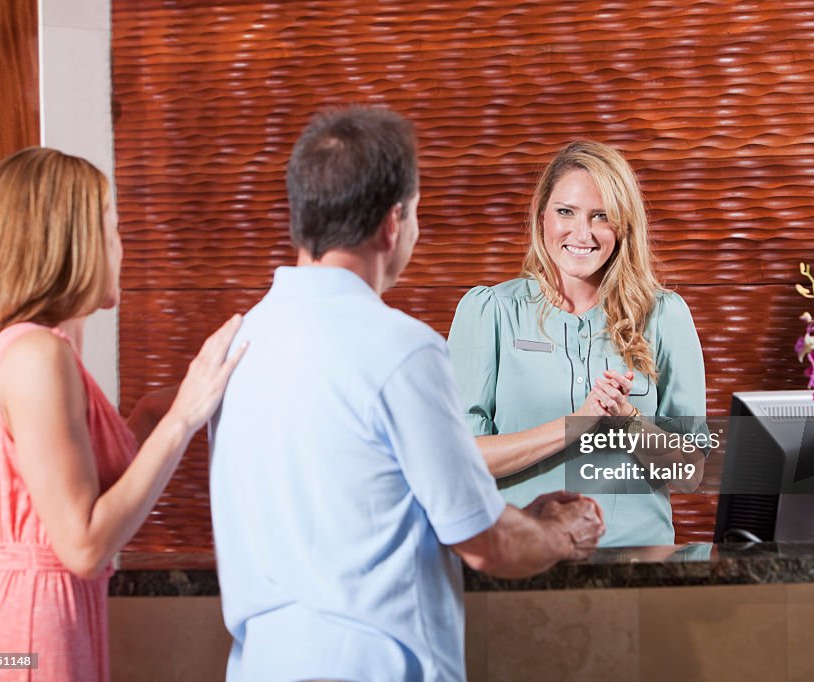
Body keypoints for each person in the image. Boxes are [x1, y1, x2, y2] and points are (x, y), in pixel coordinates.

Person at [209, 107, 605, 682]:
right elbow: (486, 546)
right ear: (394, 222)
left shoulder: (239, 342)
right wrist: (560, 534)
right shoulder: (402, 348)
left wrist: (520, 514)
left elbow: (354, 517)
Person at [0, 147, 246, 682]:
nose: (121, 248)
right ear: (72, 242)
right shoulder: (38, 357)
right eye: (113, 228)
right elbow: (84, 544)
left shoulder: (9, 352)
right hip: (26, 638)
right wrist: (183, 417)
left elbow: (58, 496)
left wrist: (151, 417)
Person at [447, 140, 708, 547]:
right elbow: (461, 459)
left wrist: (628, 421)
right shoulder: (489, 312)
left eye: (601, 216)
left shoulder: (664, 315)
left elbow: (692, 474)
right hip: (522, 559)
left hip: (639, 565)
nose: (581, 233)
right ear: (541, 216)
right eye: (566, 212)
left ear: (623, 225)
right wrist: (579, 424)